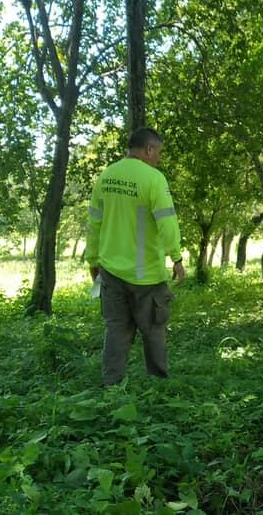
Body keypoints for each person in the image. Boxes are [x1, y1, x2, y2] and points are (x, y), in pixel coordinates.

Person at [85, 127, 186, 386]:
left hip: (111, 272)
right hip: (147, 277)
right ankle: (158, 385)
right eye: (159, 152)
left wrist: (93, 261)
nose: (159, 158)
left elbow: (94, 224)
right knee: (153, 330)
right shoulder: (153, 179)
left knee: (116, 329)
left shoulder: (106, 177)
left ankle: (111, 386)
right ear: (148, 149)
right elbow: (167, 223)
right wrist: (176, 258)